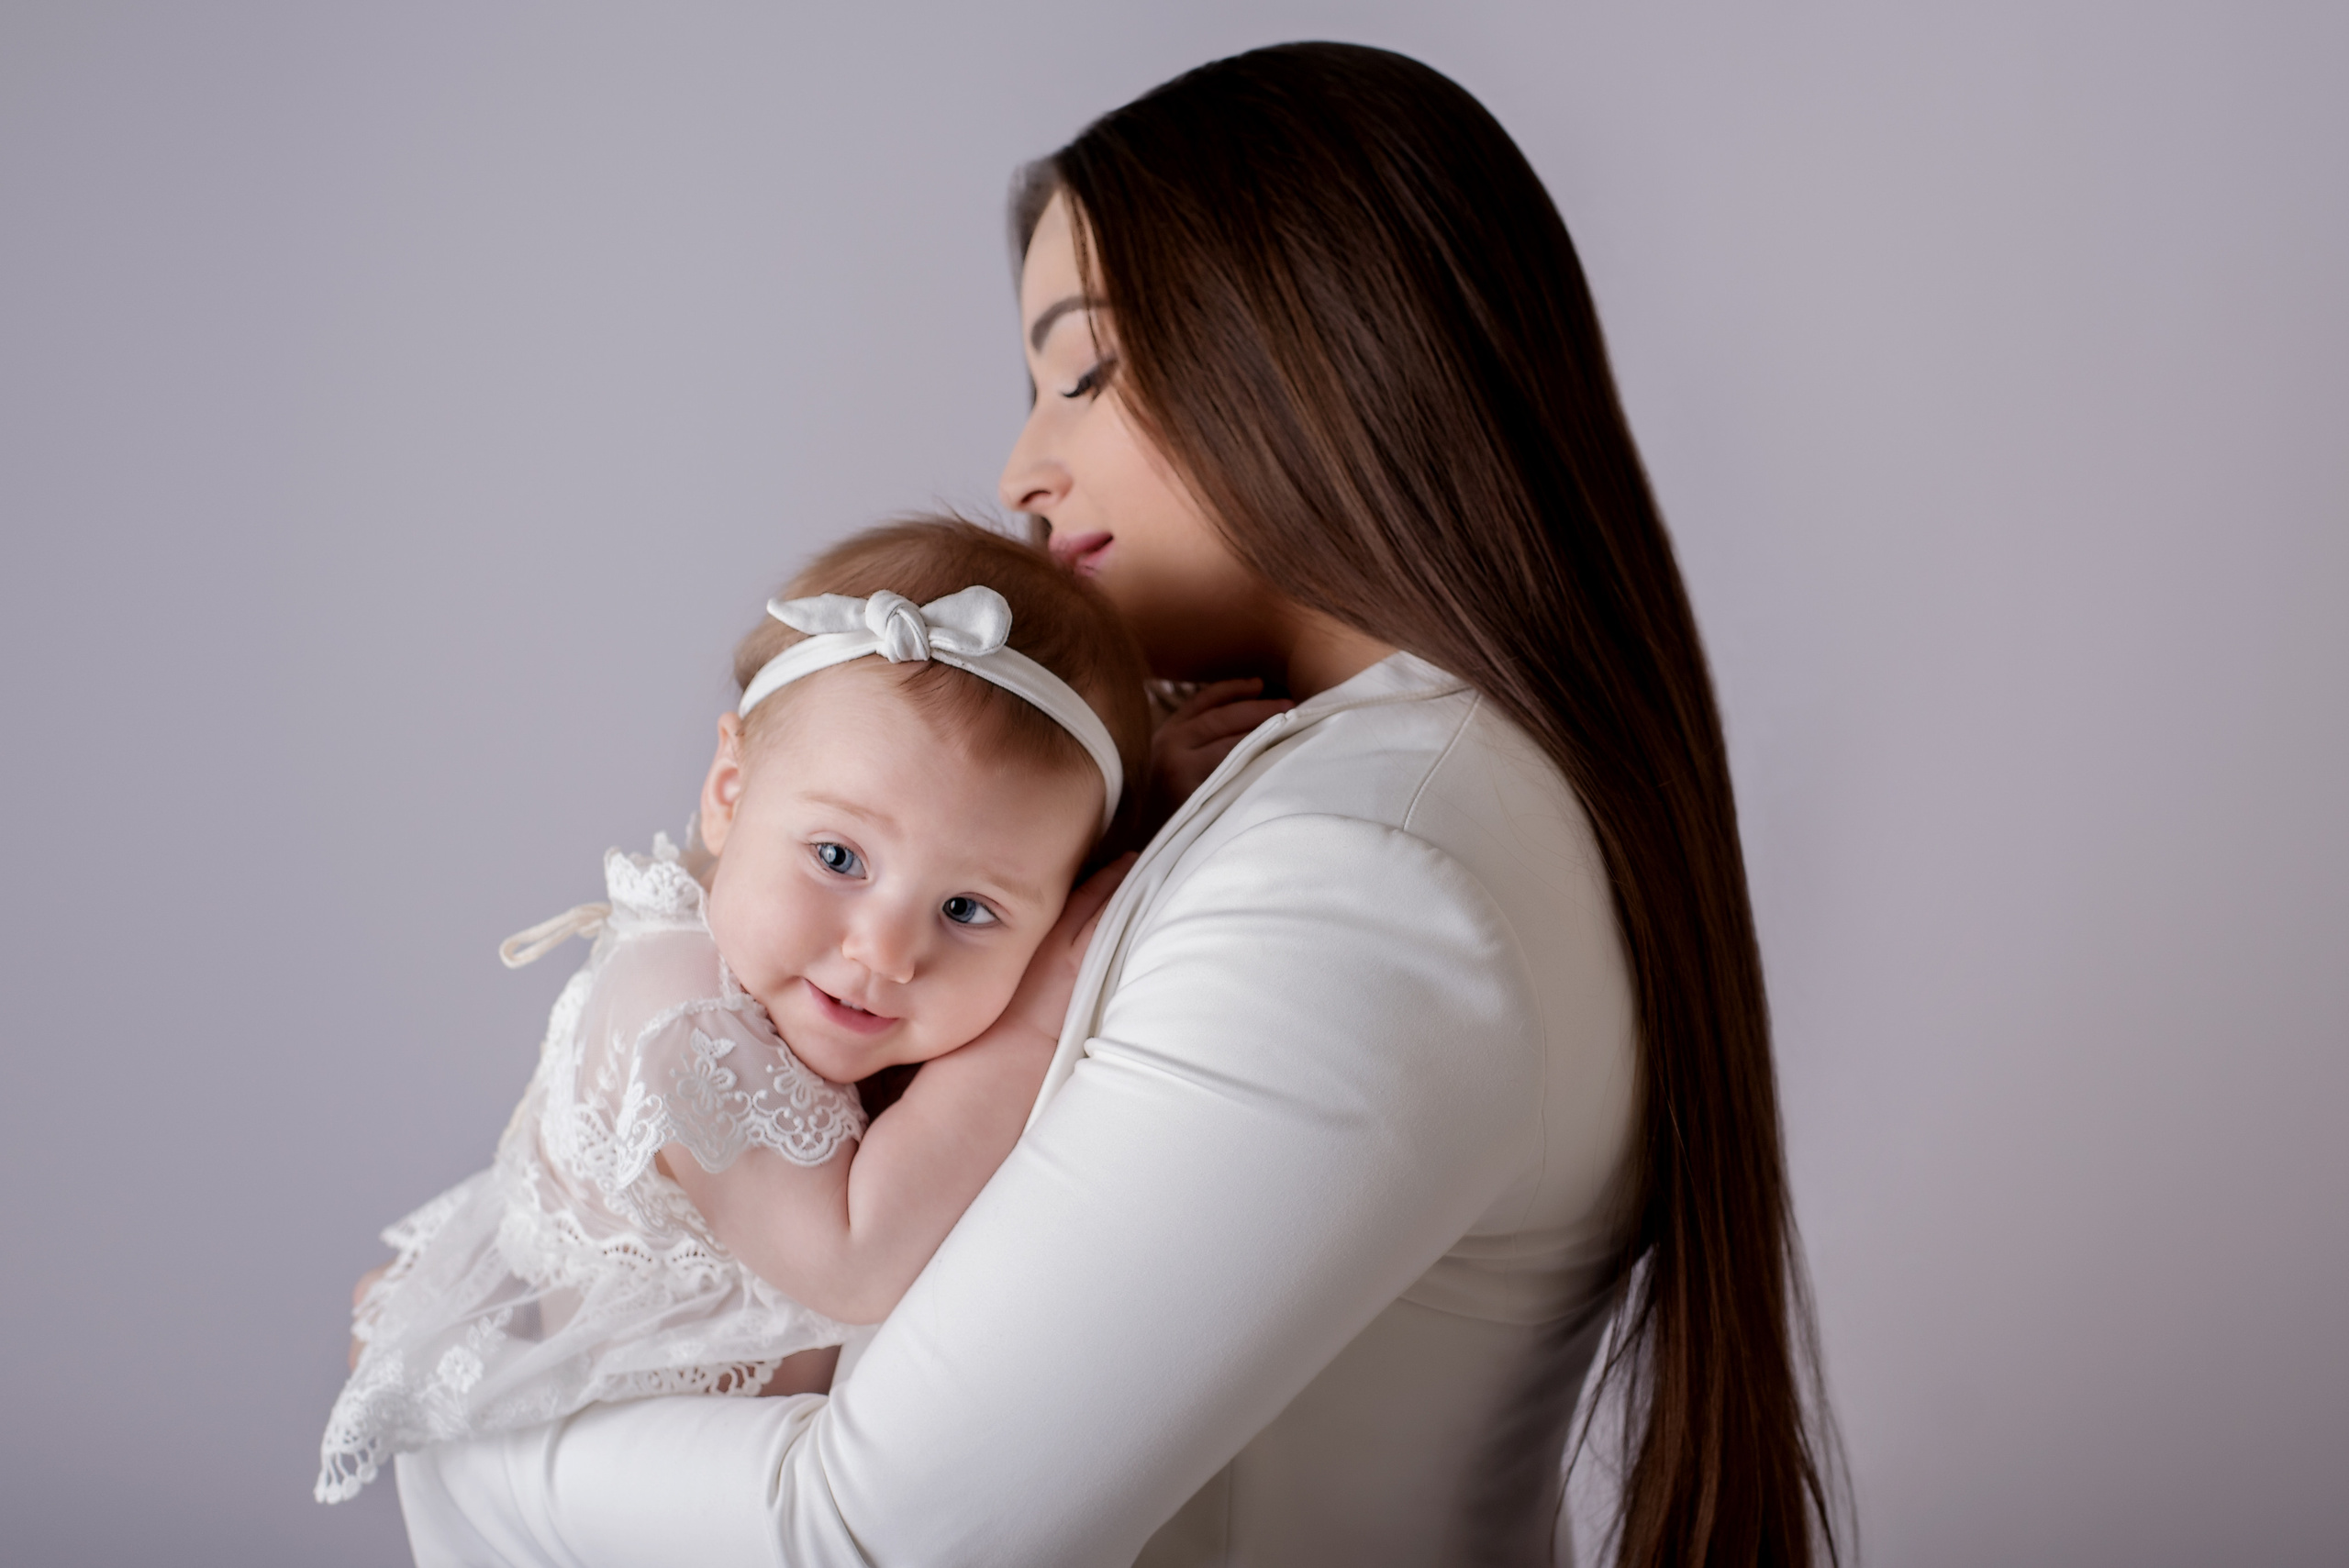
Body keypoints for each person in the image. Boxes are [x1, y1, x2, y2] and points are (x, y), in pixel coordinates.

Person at [393, 41, 1841, 1567]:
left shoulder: (1363, 872)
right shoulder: (1357, 791)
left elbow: (870, 1539)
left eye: (1081, 368)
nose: (1023, 466)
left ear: (1318, 345)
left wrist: (444, 1416)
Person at [317, 518, 1152, 1506]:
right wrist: (1042, 1008)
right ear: (728, 789)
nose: (884, 951)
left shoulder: (799, 971)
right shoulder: (682, 1016)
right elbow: (854, 1259)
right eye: (838, 857)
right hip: (597, 1486)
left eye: (969, 908)